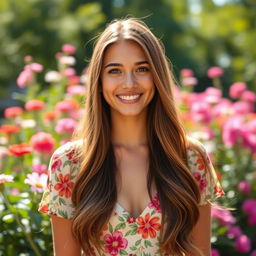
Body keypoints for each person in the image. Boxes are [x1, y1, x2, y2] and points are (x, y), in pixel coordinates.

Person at [39, 18, 224, 256]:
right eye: (115, 71)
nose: (129, 83)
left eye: (142, 69)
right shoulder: (69, 163)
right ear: (99, 80)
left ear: (157, 76)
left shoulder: (190, 159)